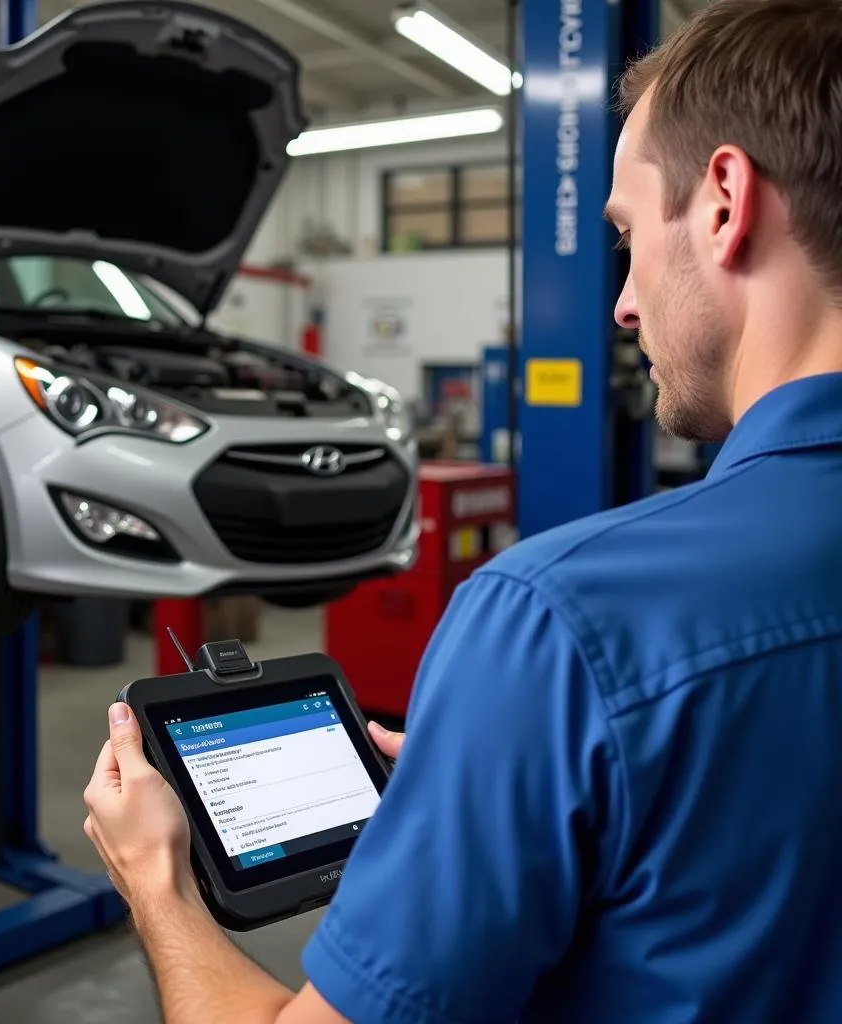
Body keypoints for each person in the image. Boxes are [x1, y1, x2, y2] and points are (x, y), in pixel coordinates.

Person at [83, 0, 842, 1020]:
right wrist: (501, 788)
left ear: (721, 202)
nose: (620, 302)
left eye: (623, 234)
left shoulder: (554, 621)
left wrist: (158, 887)